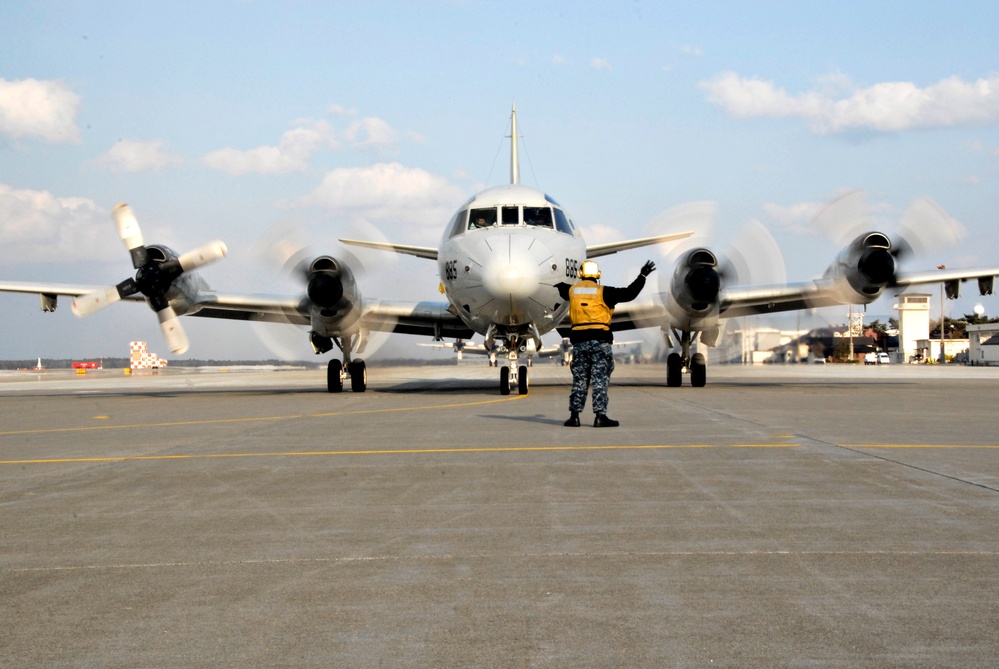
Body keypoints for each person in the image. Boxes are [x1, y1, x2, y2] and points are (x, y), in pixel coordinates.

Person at [555, 259, 656, 427]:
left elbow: (561, 289)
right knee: (599, 379)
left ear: (580, 274)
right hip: (600, 343)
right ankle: (600, 417)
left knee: (580, 380)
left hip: (579, 343)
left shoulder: (571, 291)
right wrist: (642, 275)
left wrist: (557, 282)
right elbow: (630, 293)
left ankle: (574, 417)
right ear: (597, 275)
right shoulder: (605, 292)